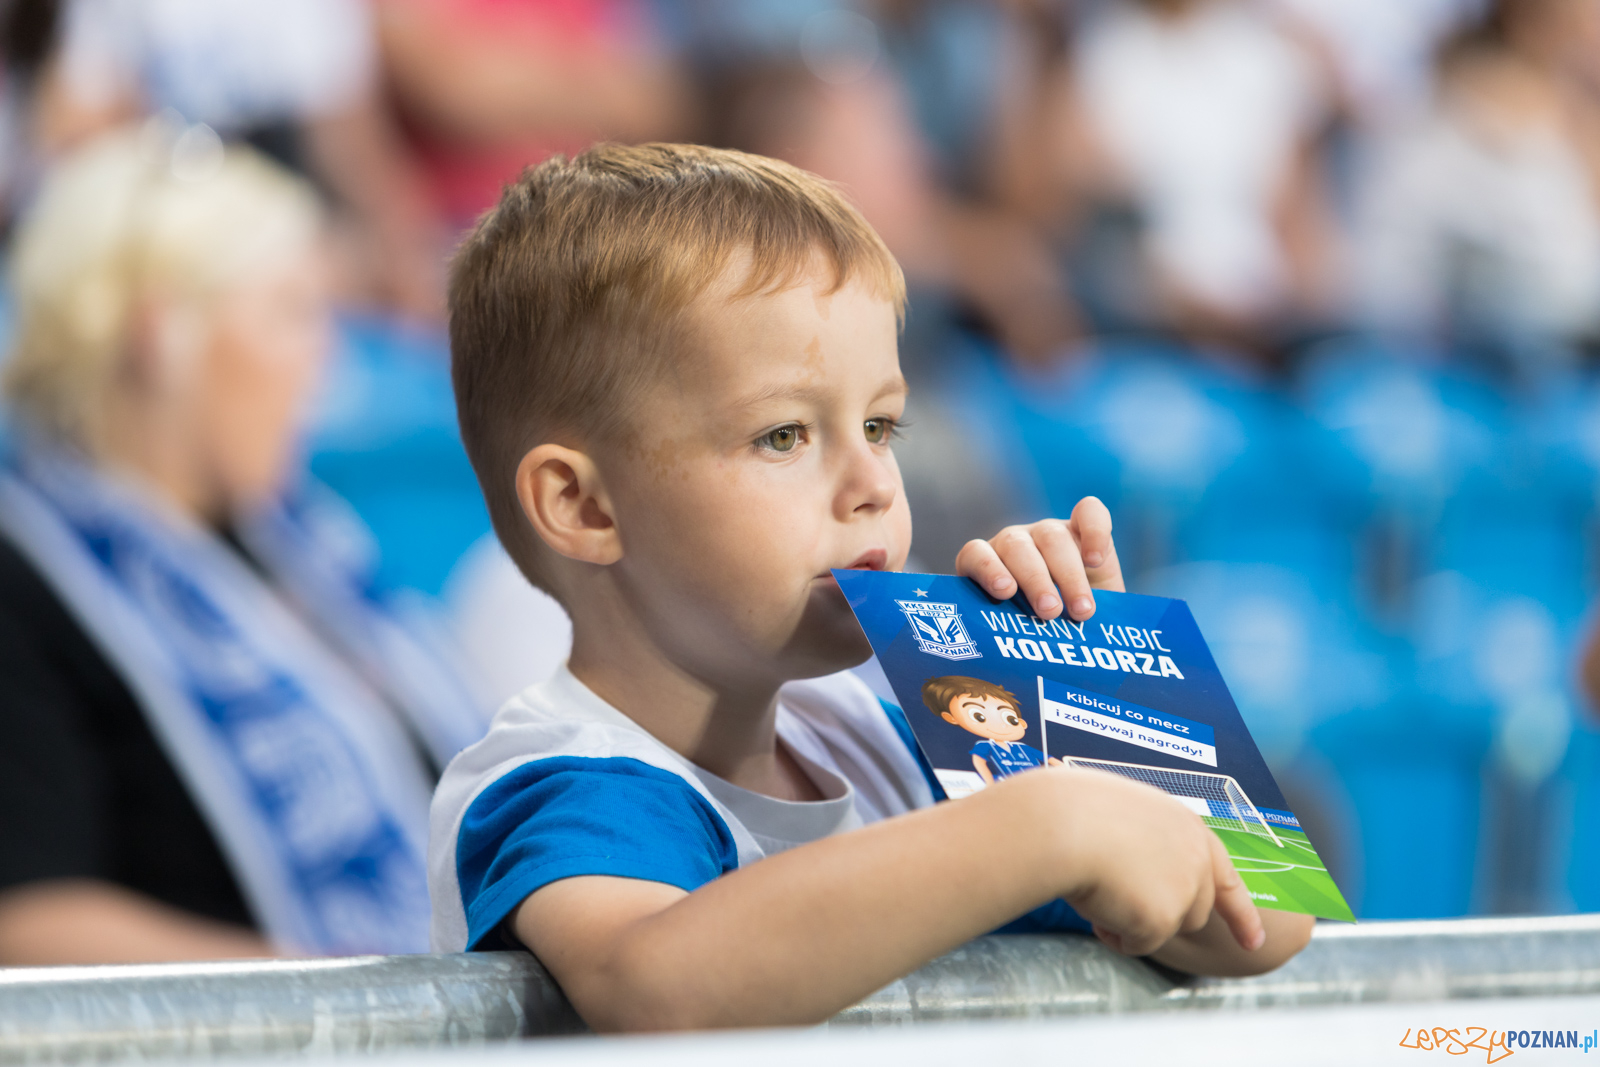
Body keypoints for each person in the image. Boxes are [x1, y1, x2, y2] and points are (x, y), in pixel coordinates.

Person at [429, 142, 1314, 1032]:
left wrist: (1094, 714)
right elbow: (655, 983)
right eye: (783, 435)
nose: (877, 485)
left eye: (880, 424)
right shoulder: (560, 778)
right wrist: (1043, 826)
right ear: (584, 505)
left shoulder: (880, 737)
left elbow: (1264, 922)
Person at [0, 123, 484, 964]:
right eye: (292, 312)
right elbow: (25, 920)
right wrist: (360, 1002)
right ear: (159, 333)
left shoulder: (301, 545)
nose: (324, 362)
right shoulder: (29, 579)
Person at [920, 675, 1053, 783]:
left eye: (1010, 719)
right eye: (979, 716)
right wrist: (989, 784)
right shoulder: (984, 746)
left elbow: (1050, 759)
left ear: (1022, 723)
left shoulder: (1023, 748)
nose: (1000, 725)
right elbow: (980, 764)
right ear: (950, 718)